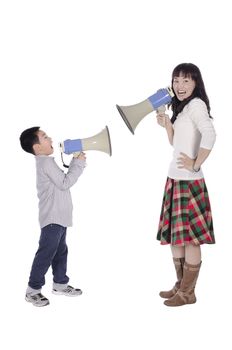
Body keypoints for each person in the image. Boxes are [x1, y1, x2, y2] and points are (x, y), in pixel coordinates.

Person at [156, 63, 216, 307]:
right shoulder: (183, 108)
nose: (179, 86)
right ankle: (181, 286)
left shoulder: (197, 105)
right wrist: (167, 126)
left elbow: (210, 134)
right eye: (176, 80)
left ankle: (188, 293)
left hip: (189, 182)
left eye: (186, 81)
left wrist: (195, 164)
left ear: (195, 83)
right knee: (176, 238)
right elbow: (177, 144)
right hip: (175, 178)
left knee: (190, 239)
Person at [20, 127, 86, 307]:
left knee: (60, 251)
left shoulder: (47, 162)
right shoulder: (45, 163)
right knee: (46, 253)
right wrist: (78, 163)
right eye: (45, 137)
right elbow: (66, 183)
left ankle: (60, 283)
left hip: (59, 218)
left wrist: (75, 161)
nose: (50, 138)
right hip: (52, 219)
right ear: (37, 147)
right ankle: (32, 290)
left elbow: (62, 181)